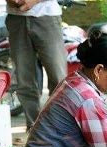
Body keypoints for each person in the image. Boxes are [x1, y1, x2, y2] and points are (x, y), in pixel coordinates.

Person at [6, 0, 67, 128]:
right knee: (24, 81)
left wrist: (33, 1)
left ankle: (58, 129)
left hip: (47, 18)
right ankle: (33, 130)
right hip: (16, 19)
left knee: (58, 79)